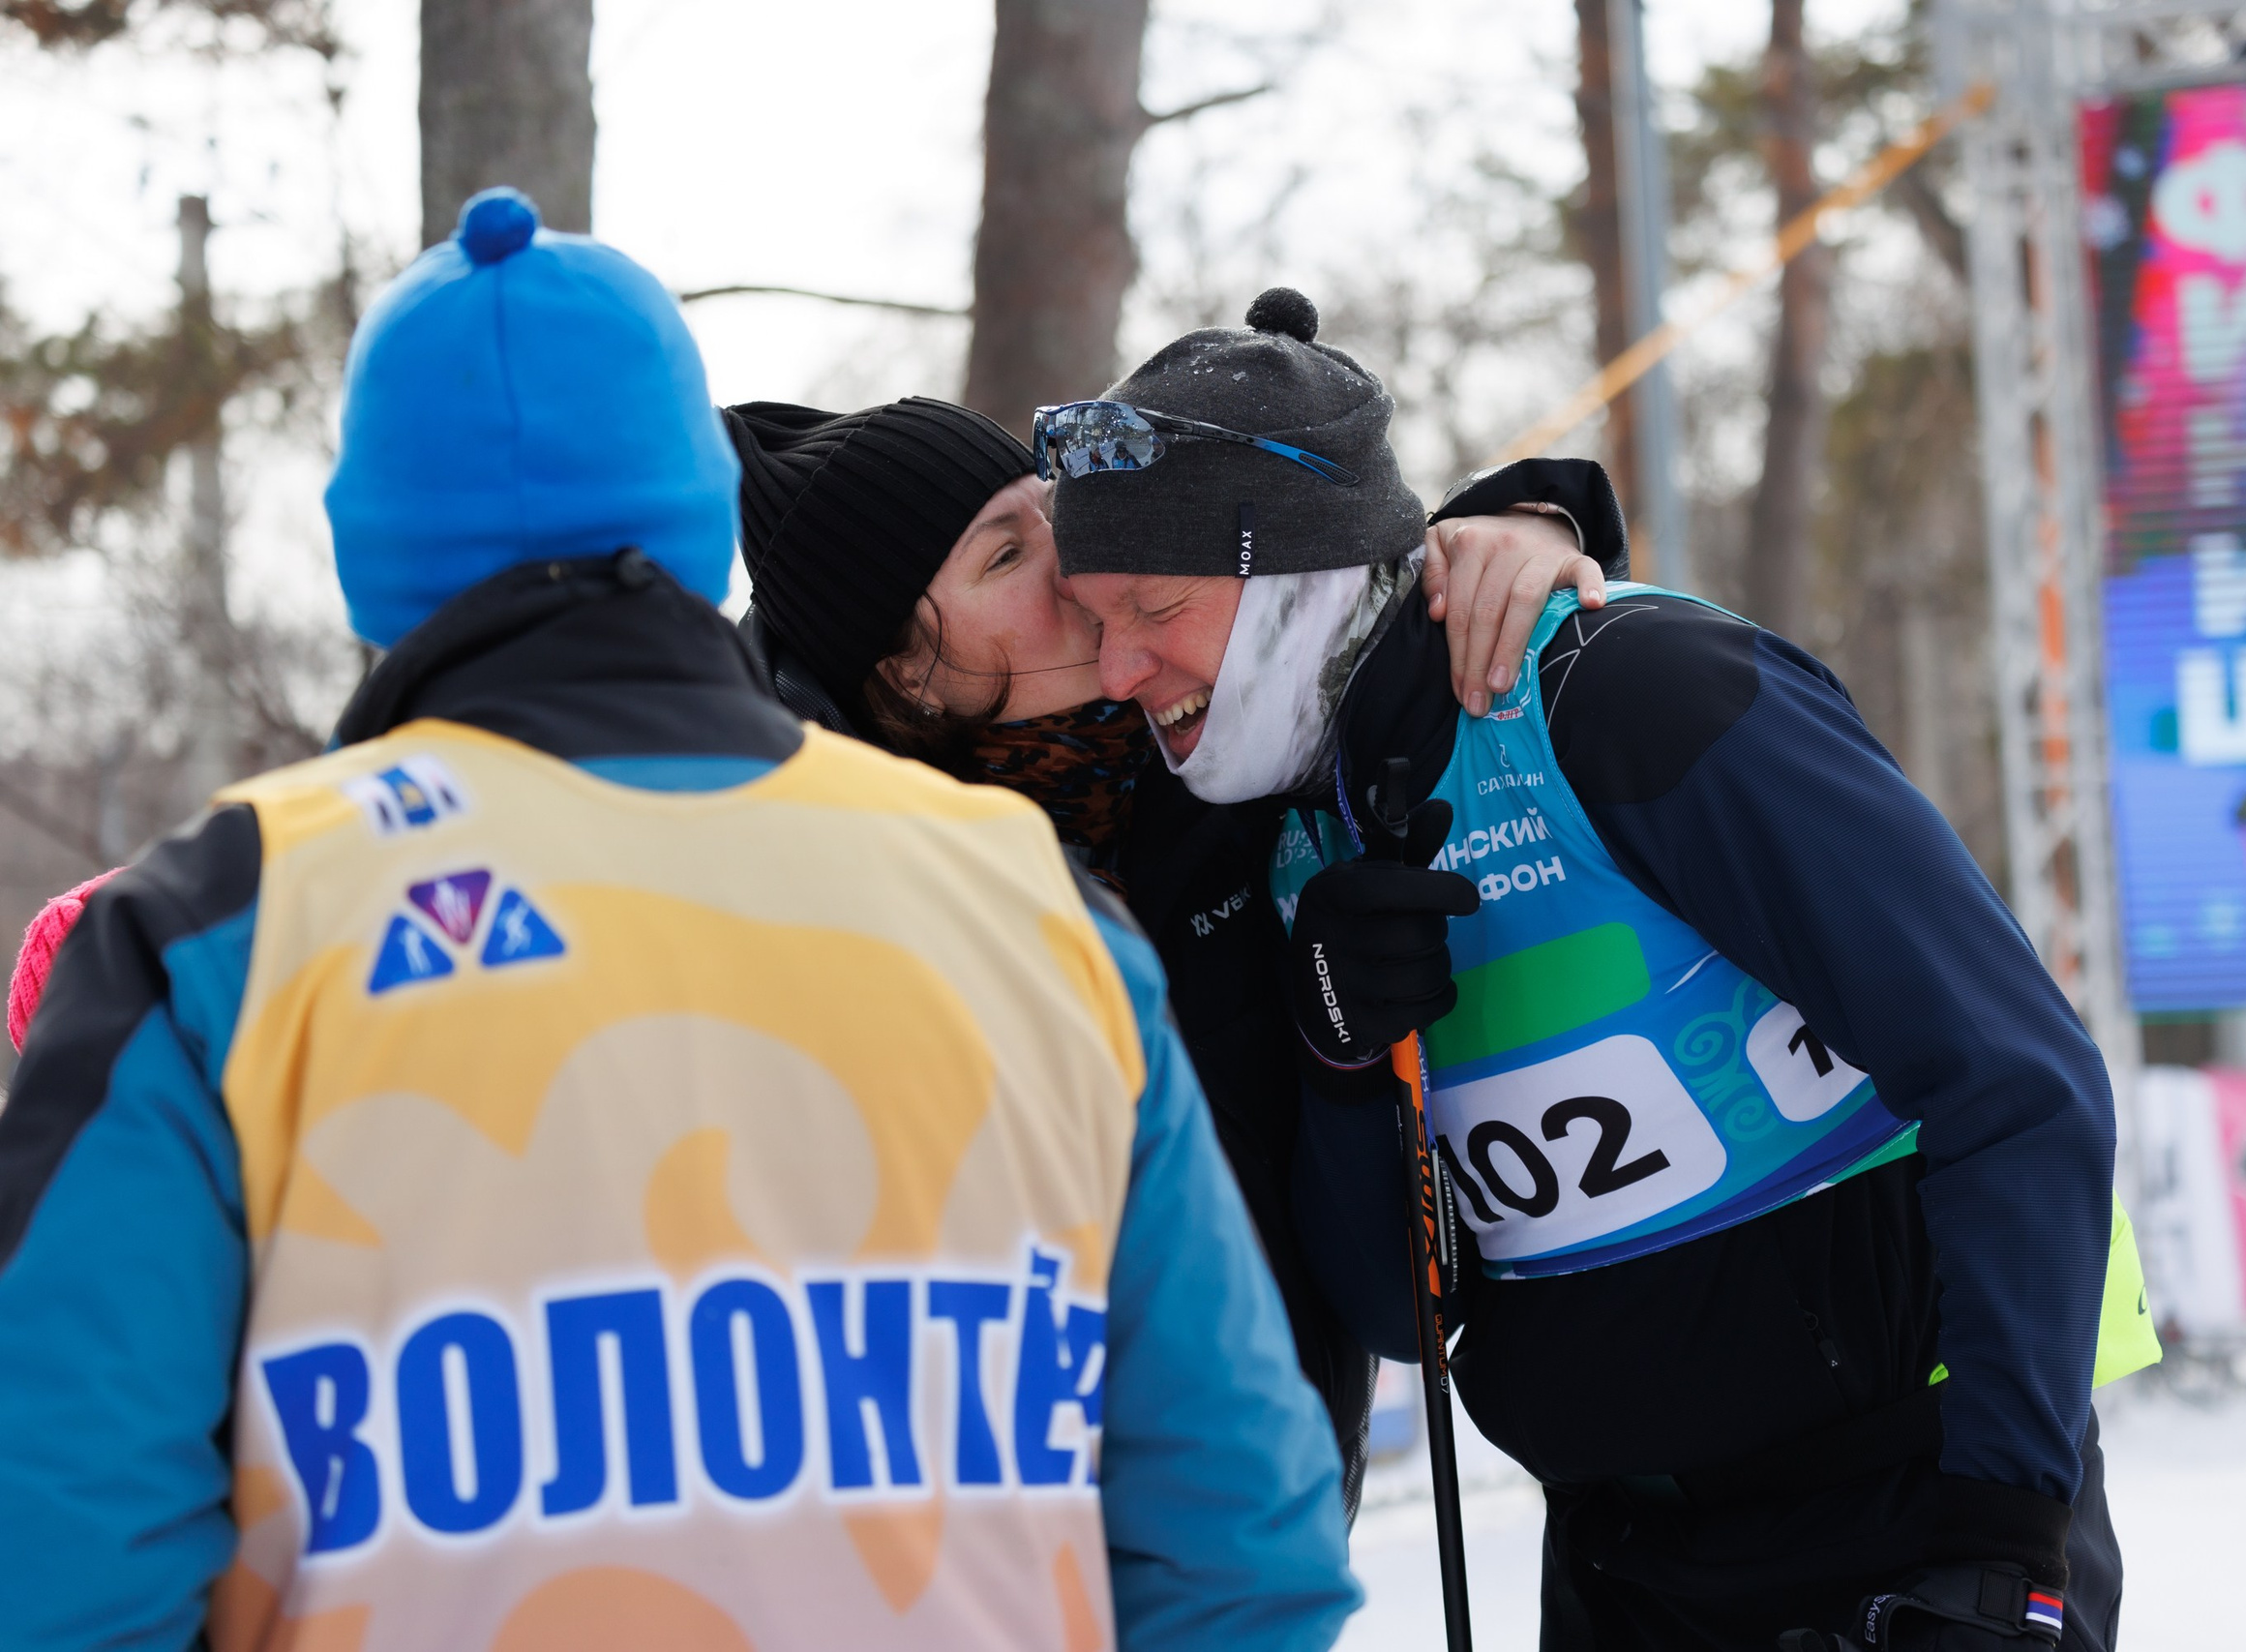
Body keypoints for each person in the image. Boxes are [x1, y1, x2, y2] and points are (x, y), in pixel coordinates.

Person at [0, 194, 1358, 1652]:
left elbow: (61, 1559)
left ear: (369, 554)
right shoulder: (1029, 908)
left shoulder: (220, 932)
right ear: (696, 522)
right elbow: (1240, 1542)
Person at [1053, 287, 2159, 1652]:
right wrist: (1341, 1060)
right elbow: (1403, 1314)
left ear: (1300, 576)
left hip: (1904, 1516)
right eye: (1093, 621)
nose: (1119, 667)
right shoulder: (1292, 832)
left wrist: (2005, 1545)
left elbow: (2022, 1083)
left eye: (1154, 608)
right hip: (1621, 1558)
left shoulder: (1627, 693)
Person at [715, 391, 1602, 1516]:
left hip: (1272, 1511)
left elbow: (1338, 597)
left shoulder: (1215, 747)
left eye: (1051, 515)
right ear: (904, 675)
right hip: (1004, 1535)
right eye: (1004, 555)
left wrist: (1506, 534)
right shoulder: (828, 898)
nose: (1073, 555)